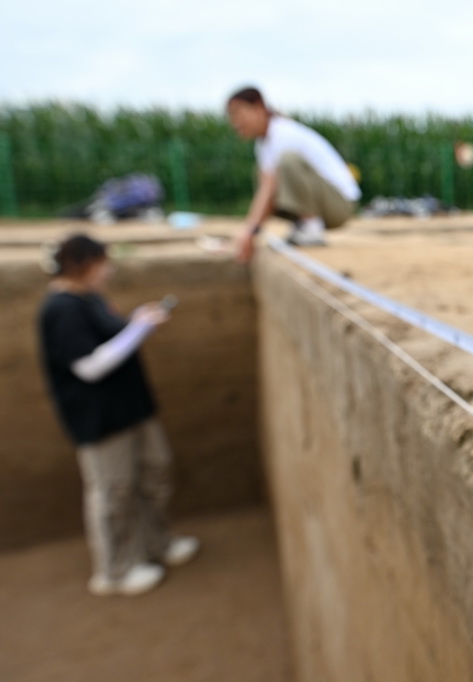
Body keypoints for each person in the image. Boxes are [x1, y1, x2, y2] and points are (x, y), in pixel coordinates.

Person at [38, 234, 199, 596]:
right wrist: (139, 329)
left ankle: (156, 544)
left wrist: (136, 321)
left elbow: (112, 339)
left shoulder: (89, 298)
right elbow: (89, 367)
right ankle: (116, 570)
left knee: (154, 471)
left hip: (131, 408)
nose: (107, 270)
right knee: (114, 492)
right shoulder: (61, 310)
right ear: (82, 264)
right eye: (102, 262)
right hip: (100, 419)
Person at [227, 86, 362, 262]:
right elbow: (265, 188)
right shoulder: (263, 144)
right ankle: (304, 225)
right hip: (324, 203)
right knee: (262, 174)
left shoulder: (282, 133)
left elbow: (269, 189)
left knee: (288, 161)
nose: (235, 121)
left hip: (340, 204)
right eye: (231, 116)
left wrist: (250, 231)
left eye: (238, 113)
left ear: (258, 108)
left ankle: (310, 227)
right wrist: (250, 231)